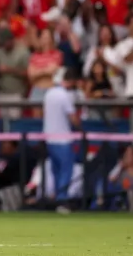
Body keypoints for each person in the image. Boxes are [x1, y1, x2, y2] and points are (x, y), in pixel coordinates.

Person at [43, 69, 81, 214]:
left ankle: (57, 199)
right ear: (71, 81)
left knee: (56, 171)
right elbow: (73, 118)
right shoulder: (64, 95)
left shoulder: (49, 93)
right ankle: (62, 200)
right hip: (63, 139)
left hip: (49, 138)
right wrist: (81, 128)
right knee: (65, 171)